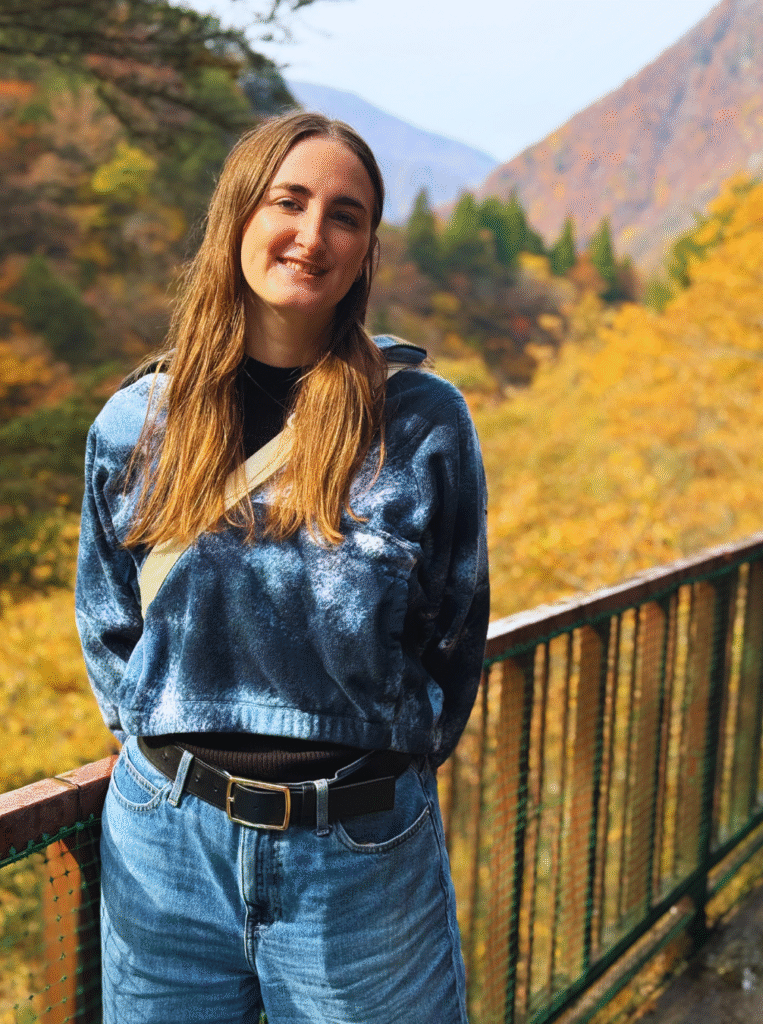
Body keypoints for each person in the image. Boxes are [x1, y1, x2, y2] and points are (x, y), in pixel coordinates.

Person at [75, 110, 489, 1024]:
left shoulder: (419, 422)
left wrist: (375, 767)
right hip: (165, 846)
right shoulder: (139, 421)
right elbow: (106, 620)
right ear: (237, 217)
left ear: (366, 248)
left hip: (359, 849)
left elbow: (453, 632)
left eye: (345, 215)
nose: (312, 234)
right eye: (289, 201)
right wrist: (164, 752)